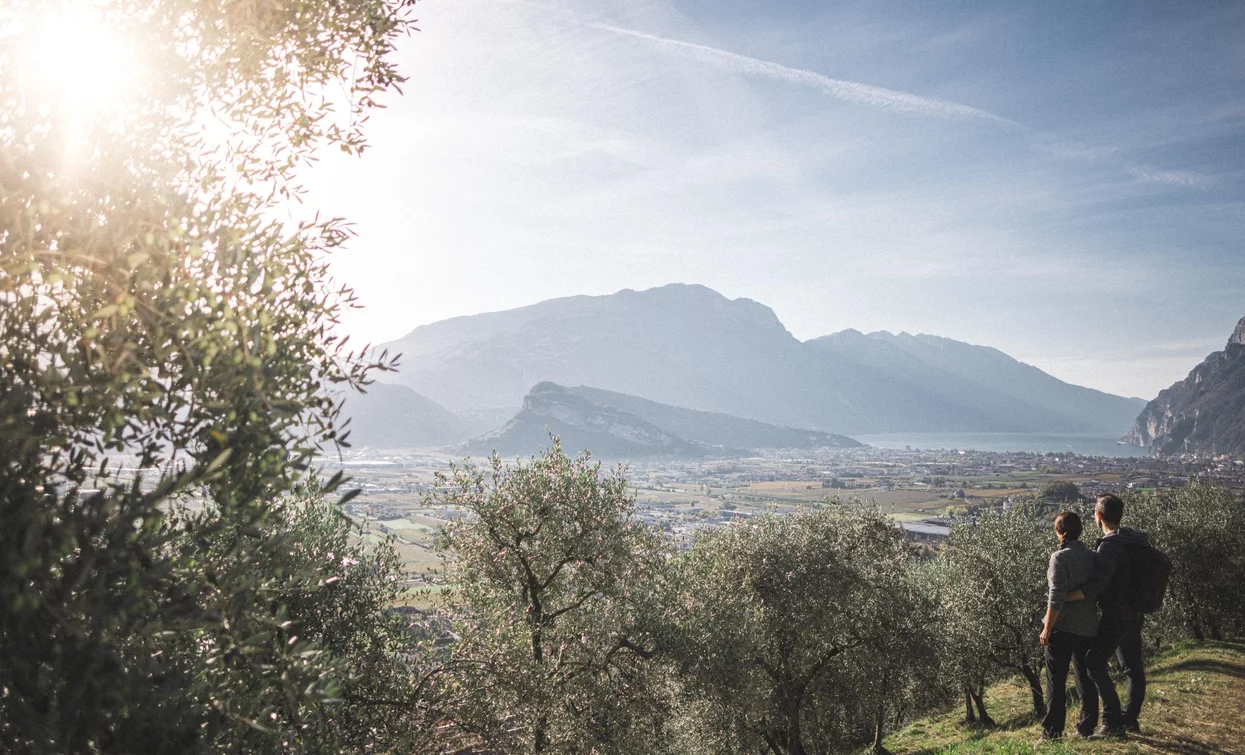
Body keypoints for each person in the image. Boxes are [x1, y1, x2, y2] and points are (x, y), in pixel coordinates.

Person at [1067, 493, 1150, 738]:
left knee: (1093, 663)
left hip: (1116, 613)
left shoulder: (1109, 546)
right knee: (1133, 667)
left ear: (1099, 516)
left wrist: (1063, 596)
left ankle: (1112, 722)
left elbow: (1096, 586)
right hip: (1136, 612)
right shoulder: (1136, 540)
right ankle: (1129, 720)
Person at [1036, 511, 1100, 744]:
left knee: (1056, 681)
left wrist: (1047, 628)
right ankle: (1087, 726)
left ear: (1059, 532)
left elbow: (1055, 597)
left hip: (1062, 628)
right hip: (1088, 627)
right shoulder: (1092, 557)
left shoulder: (1059, 558)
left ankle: (1052, 733)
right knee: (1086, 678)